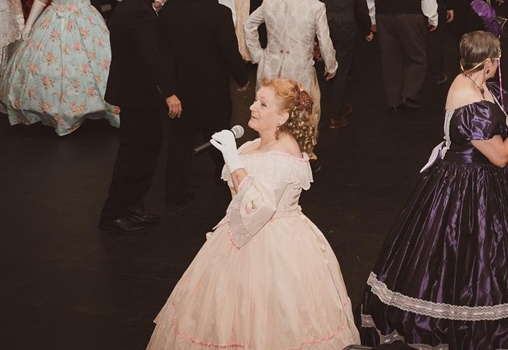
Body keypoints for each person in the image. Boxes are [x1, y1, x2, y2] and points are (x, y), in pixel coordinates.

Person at [361, 31, 508, 348]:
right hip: (472, 185)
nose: (499, 63)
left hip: (467, 178)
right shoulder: (471, 102)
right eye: (497, 59)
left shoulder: (471, 81)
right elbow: (501, 157)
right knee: (476, 262)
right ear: (488, 62)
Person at [148, 78, 360, 349]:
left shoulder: (284, 153)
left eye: (262, 103)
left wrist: (233, 162)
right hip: (240, 234)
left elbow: (260, 208)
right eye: (255, 100)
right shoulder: (252, 146)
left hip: (276, 244)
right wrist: (235, 158)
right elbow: (240, 201)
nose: (252, 107)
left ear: (282, 116)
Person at [0, 0, 126, 136]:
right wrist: (29, 25)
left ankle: (91, 106)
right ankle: (52, 110)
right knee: (48, 67)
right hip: (53, 19)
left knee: (90, 65)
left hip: (85, 21)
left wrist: (138, 2)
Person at [99, 0, 180, 234]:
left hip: (134, 92)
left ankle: (133, 206)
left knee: (146, 147)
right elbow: (151, 57)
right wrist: (169, 92)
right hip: (139, 94)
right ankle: (115, 212)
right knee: (134, 153)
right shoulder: (140, 12)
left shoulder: (133, 7)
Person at [159, 0, 250, 207]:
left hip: (179, 90)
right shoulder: (219, 13)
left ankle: (175, 192)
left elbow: (163, 54)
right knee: (220, 135)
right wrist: (242, 79)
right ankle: (227, 179)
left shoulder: (167, 13)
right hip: (213, 90)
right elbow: (229, 52)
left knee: (178, 142)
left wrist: (168, 89)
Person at [244, 0, 336, 156]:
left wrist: (258, 55)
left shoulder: (270, 1)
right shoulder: (316, 7)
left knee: (270, 111)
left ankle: (270, 150)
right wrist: (331, 66)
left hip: (270, 69)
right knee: (304, 113)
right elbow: (325, 41)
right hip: (299, 72)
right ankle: (300, 154)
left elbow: (248, 25)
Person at [364, 0, 438, 112]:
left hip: (384, 17)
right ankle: (409, 93)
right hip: (410, 15)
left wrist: (372, 19)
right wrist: (432, 17)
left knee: (390, 58)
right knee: (417, 56)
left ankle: (393, 100)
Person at [316, 0, 370, 129]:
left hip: (326, 25)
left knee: (330, 65)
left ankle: (337, 104)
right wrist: (368, 29)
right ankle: (336, 115)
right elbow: (362, 9)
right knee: (342, 68)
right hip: (346, 25)